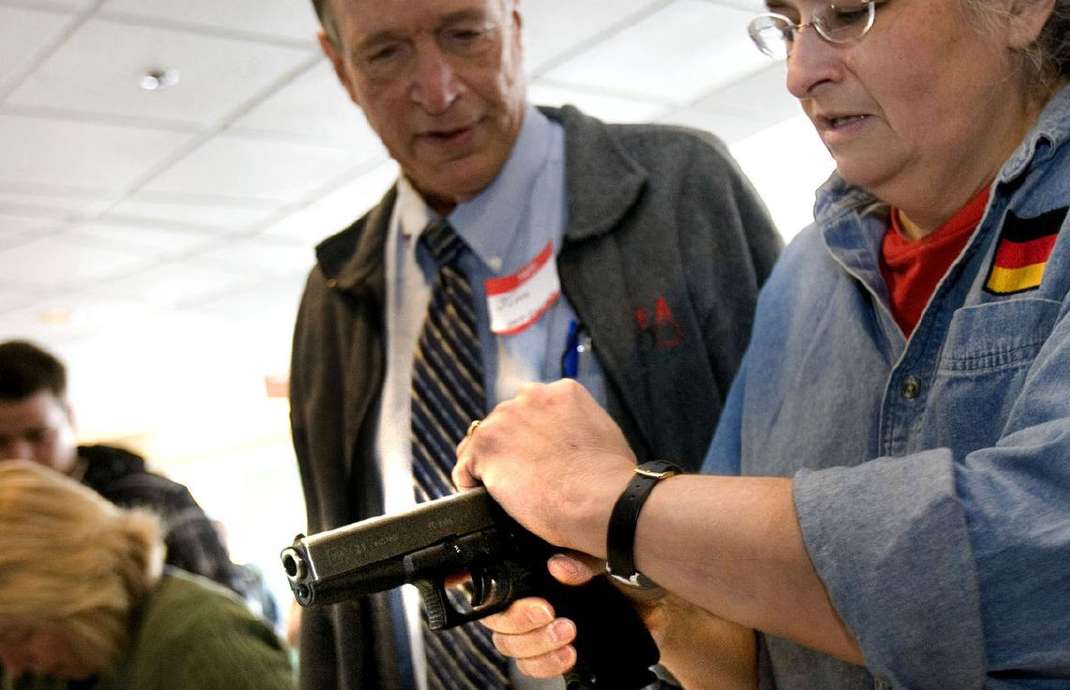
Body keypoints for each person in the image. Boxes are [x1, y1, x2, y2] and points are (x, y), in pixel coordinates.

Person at [452, 0, 1070, 687]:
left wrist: (608, 502)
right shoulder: (803, 275)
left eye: (849, 12)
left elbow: (1067, 578)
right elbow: (745, 651)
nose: (799, 71)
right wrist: (649, 598)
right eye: (788, 24)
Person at [290, 0, 781, 688]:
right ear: (341, 68)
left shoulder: (679, 191)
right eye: (386, 54)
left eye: (465, 34)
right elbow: (339, 608)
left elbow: (795, 490)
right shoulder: (334, 293)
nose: (438, 89)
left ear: (513, 24)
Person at [0, 460, 296, 690]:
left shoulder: (202, 640)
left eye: (21, 636)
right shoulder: (56, 668)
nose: (13, 665)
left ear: (72, 591)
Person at [0, 340, 241, 595]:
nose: (19, 457)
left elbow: (222, 608)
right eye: (0, 441)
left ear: (69, 418)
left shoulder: (154, 500)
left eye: (38, 436)